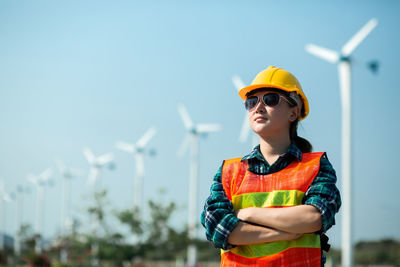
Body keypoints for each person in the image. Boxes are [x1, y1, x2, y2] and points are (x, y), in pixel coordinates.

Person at [200, 66, 341, 266]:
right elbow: (219, 228)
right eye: (251, 101)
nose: (258, 107)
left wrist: (247, 214)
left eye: (270, 99)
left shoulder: (316, 167)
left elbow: (315, 217)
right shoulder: (228, 172)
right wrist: (287, 231)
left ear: (294, 113)